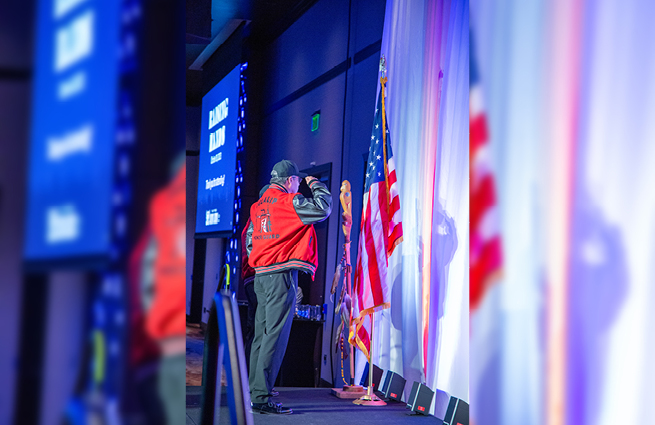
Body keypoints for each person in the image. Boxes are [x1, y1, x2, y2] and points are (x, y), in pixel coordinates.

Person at [246, 160, 332, 414]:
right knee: (275, 336)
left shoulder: (257, 205)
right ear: (289, 181)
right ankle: (261, 397)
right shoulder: (288, 202)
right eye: (297, 181)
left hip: (261, 275)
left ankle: (256, 390)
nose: (298, 185)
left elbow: (251, 241)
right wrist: (316, 183)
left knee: (261, 336)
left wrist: (264, 261)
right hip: (280, 275)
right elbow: (323, 208)